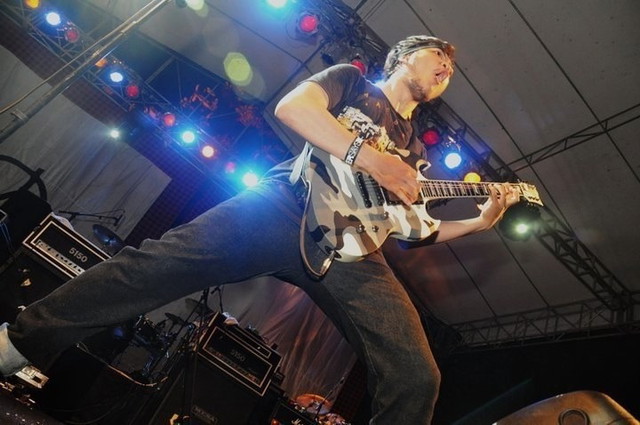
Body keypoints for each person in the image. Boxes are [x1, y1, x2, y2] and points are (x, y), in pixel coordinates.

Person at [0, 35, 519, 424]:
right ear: (404, 57)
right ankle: (17, 343)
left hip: (353, 251)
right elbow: (293, 107)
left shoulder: (417, 152)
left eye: (451, 69)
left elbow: (413, 229)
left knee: (415, 374)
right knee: (147, 270)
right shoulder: (352, 82)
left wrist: (478, 220)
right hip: (283, 205)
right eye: (438, 56)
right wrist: (372, 159)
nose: (447, 68)